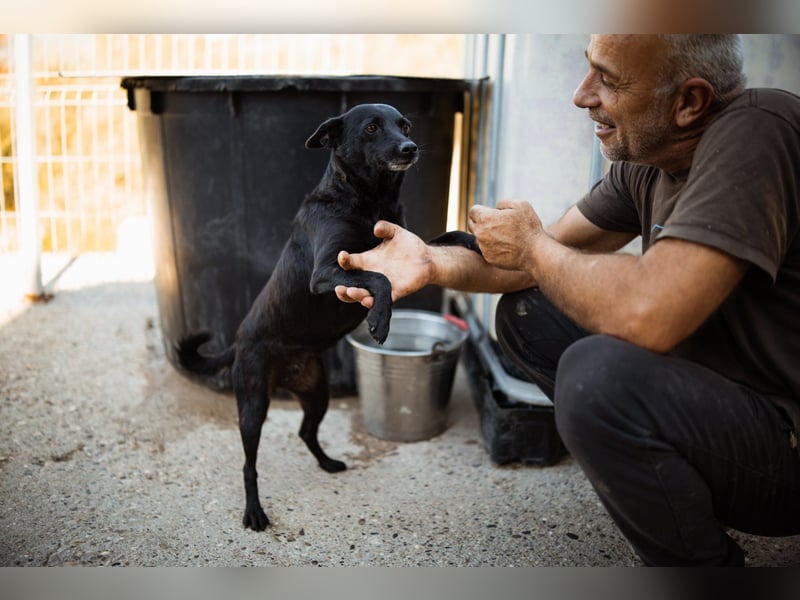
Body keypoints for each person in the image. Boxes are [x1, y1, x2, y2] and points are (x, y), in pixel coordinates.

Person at [334, 34, 800, 566]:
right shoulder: (649, 160)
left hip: (784, 445)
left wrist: (532, 249)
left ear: (688, 103)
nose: (582, 95)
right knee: (530, 313)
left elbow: (647, 313)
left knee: (597, 377)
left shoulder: (759, 129)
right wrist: (432, 262)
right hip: (722, 405)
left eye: (609, 79)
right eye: (588, 70)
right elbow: (538, 261)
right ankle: (673, 491)